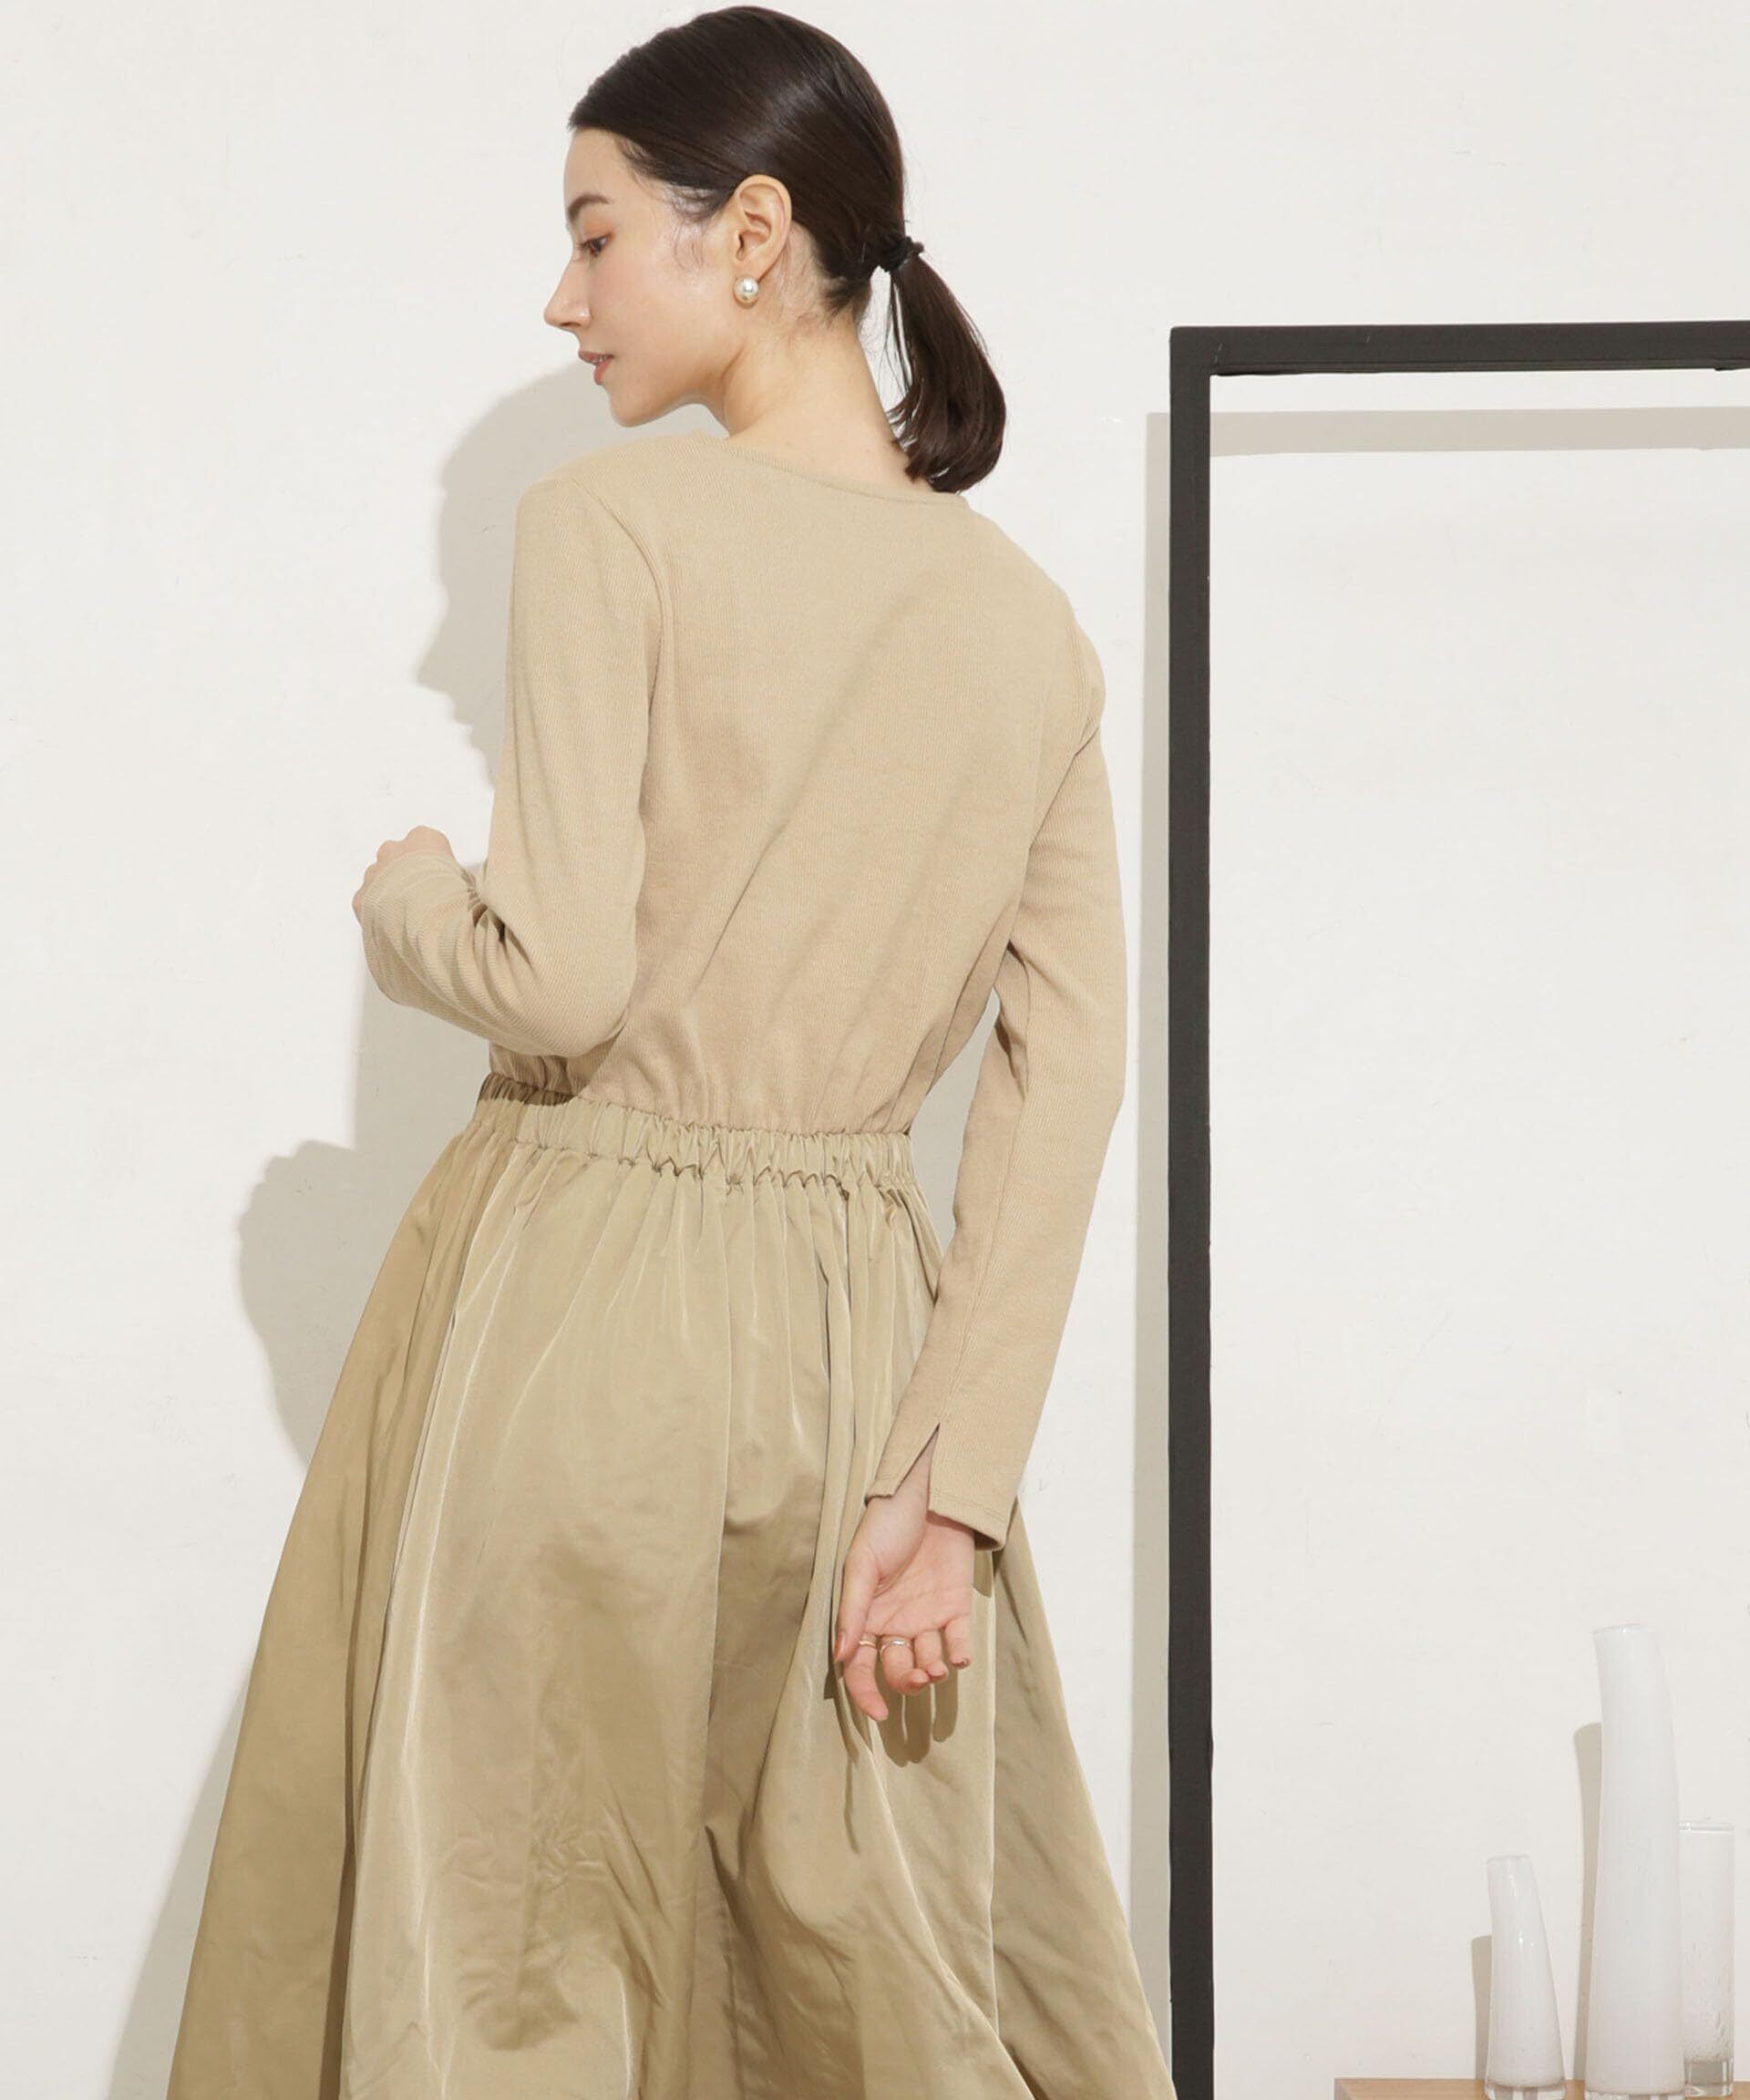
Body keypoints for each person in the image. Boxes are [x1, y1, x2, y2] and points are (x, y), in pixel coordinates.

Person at [166, 7, 1175, 2097]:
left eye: (596, 232)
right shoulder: (1029, 628)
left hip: (579, 1313)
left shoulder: (609, 526)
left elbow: (557, 983)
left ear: (755, 234)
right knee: (856, 1983)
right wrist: (953, 1491)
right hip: (861, 1353)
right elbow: (1064, 1079)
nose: (565, 297)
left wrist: (410, 902)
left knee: (517, 1958)